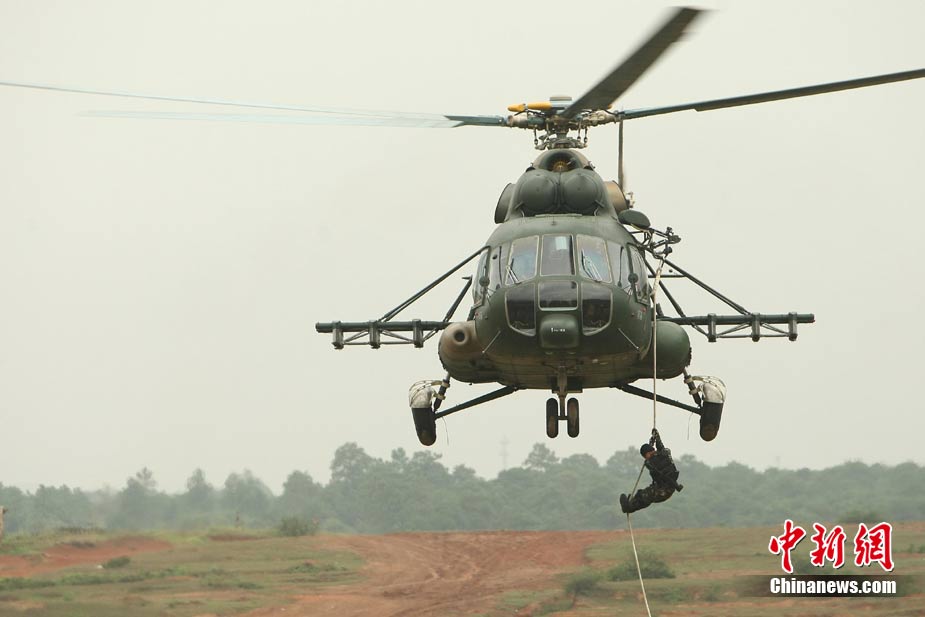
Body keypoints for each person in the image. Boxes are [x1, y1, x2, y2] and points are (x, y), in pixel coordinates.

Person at [620, 428, 683, 514]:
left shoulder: (652, 462)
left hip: (665, 490)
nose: (646, 458)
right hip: (665, 488)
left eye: (645, 456)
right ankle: (631, 504)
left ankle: (629, 508)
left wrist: (654, 438)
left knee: (646, 495)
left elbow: (653, 468)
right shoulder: (663, 453)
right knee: (641, 493)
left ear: (647, 454)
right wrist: (656, 436)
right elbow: (660, 445)